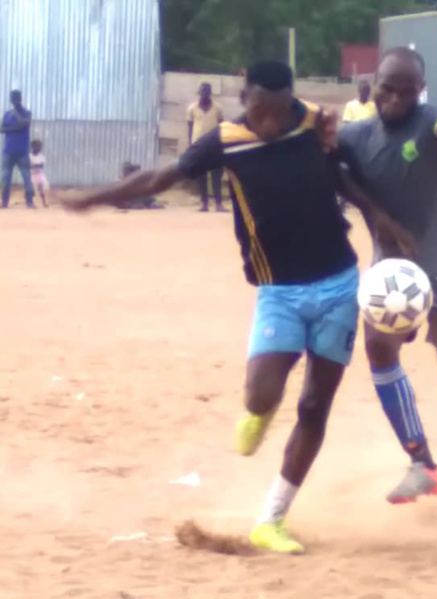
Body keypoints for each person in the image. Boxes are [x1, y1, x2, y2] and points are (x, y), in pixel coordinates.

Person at [58, 60, 412, 555]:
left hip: (337, 282)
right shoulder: (224, 140)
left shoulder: (312, 123)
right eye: (261, 112)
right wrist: (94, 198)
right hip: (278, 292)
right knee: (260, 394)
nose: (270, 123)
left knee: (314, 405)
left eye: (279, 112)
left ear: (292, 102)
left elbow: (339, 179)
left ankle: (272, 519)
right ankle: (260, 413)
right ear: (245, 100)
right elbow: (160, 178)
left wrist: (378, 215)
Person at [338, 47, 437, 536]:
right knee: (378, 349)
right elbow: (323, 162)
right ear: (373, 83)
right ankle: (421, 461)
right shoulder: (355, 136)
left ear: (420, 90)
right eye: (388, 87)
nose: (396, 98)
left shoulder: (433, 117)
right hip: (392, 273)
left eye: (407, 89)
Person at [187, 82, 227, 213]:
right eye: (202, 92)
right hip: (198, 145)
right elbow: (190, 127)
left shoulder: (218, 108)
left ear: (210, 93)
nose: (204, 94)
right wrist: (191, 145)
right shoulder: (192, 108)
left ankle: (218, 204)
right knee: (201, 176)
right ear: (199, 93)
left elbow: (222, 126)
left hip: (215, 145)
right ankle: (204, 203)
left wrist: (222, 143)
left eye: (206, 92)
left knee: (216, 175)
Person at [1, 90, 35, 209]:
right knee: (5, 179)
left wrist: (15, 117)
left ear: (20, 99)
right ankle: (4, 202)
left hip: (22, 152)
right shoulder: (7, 114)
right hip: (8, 152)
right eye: (13, 99)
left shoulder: (27, 113)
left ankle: (30, 202)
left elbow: (24, 124)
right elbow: (1, 129)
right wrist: (16, 128)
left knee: (27, 178)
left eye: (16, 99)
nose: (15, 101)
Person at [29, 140, 49, 207]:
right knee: (32, 190)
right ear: (32, 147)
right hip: (32, 175)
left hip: (40, 175)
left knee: (41, 189)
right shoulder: (29, 156)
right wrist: (36, 165)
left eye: (39, 147)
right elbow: (29, 165)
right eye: (36, 147)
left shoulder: (41, 156)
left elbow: (41, 165)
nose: (38, 149)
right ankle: (31, 202)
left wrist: (34, 165)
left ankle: (44, 202)